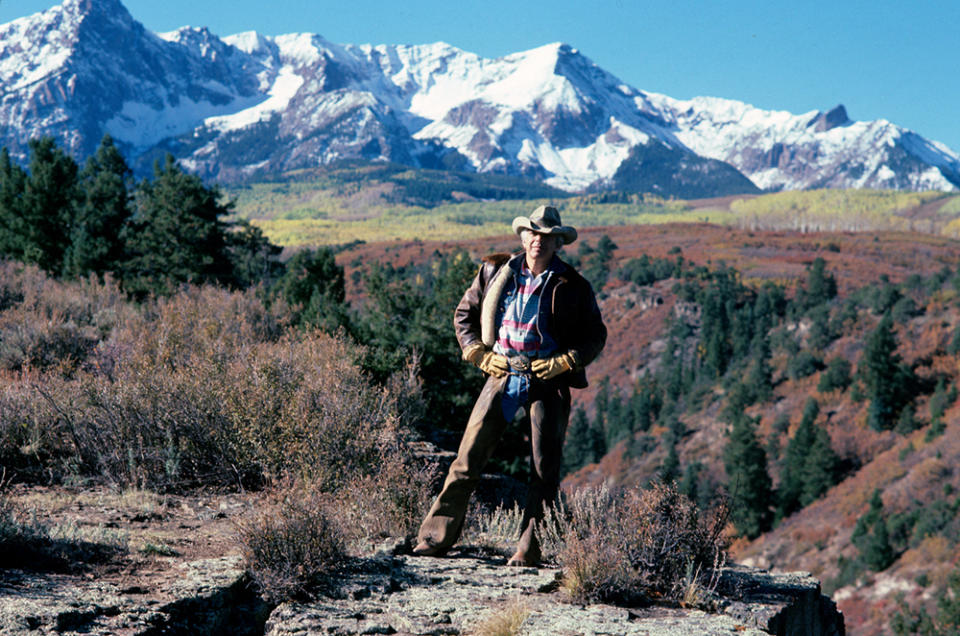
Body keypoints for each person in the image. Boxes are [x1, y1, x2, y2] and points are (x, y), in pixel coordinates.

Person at [413, 205, 607, 566]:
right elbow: (464, 315)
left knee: (543, 471)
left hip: (546, 381)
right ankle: (435, 538)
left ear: (557, 242)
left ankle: (529, 550)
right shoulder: (495, 272)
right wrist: (478, 354)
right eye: (533, 233)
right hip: (501, 372)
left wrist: (567, 361)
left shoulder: (573, 286)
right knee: (466, 459)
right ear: (523, 236)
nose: (538, 241)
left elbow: (596, 334)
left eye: (547, 236)